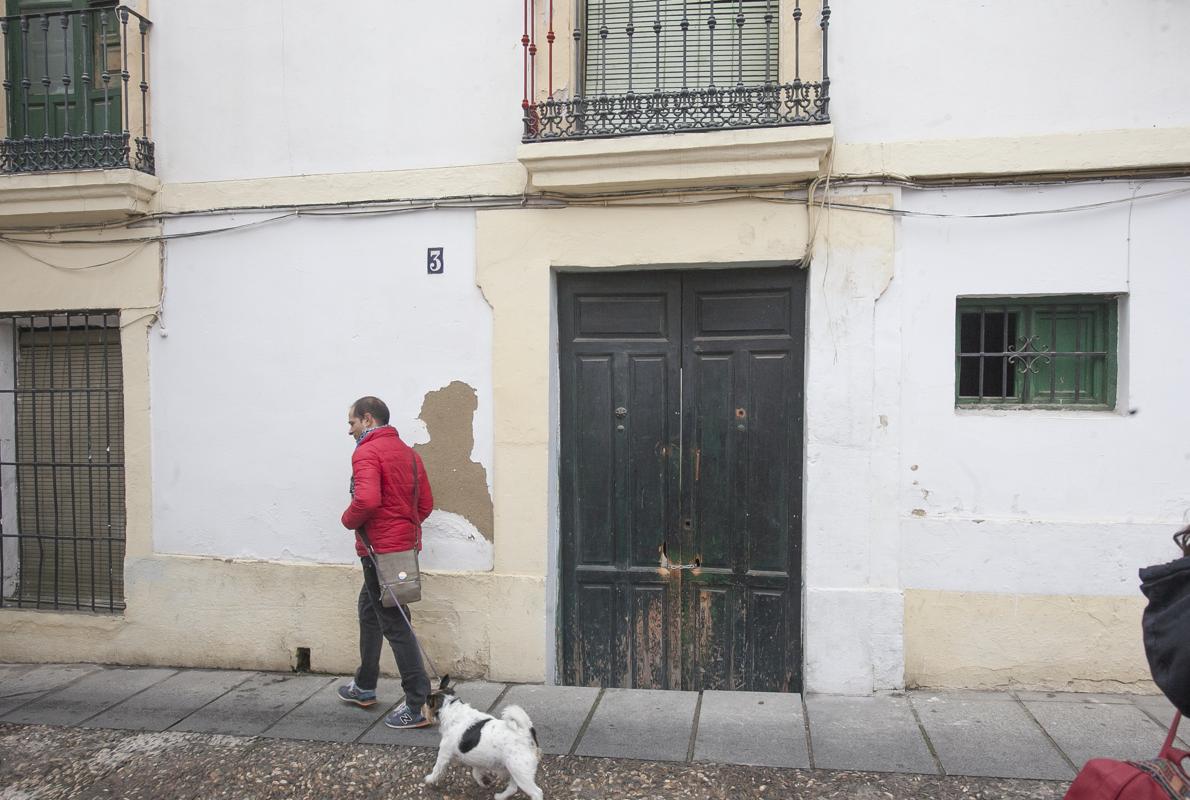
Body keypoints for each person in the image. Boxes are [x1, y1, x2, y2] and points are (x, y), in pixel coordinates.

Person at [336, 395, 435, 728]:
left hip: (379, 552)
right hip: (402, 548)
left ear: (367, 420)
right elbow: (426, 505)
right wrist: (405, 531)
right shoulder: (408, 453)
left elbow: (365, 500)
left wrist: (348, 520)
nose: (349, 431)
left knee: (394, 621)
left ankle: (418, 703)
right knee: (370, 609)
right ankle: (364, 685)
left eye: (351, 423)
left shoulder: (366, 452)